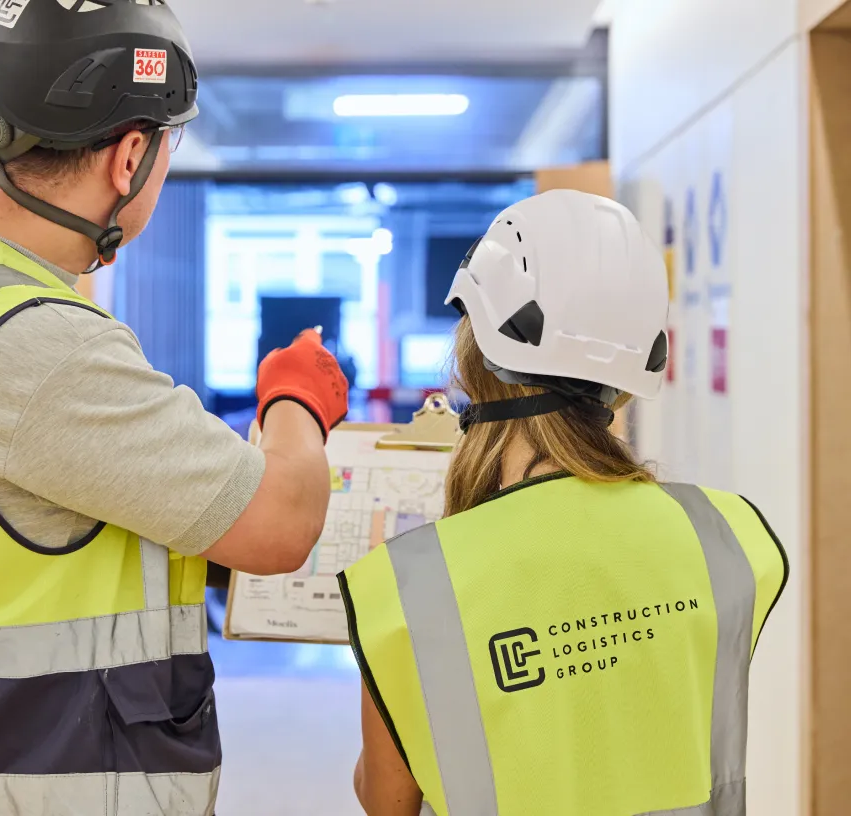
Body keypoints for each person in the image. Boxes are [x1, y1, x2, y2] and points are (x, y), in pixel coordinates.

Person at [0, 2, 347, 815]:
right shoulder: (35, 343)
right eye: (167, 148)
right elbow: (280, 525)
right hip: (37, 783)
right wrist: (294, 397)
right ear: (129, 156)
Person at [338, 190, 788, 816]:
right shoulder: (731, 538)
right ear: (639, 364)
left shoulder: (410, 587)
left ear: (476, 364)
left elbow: (386, 801)